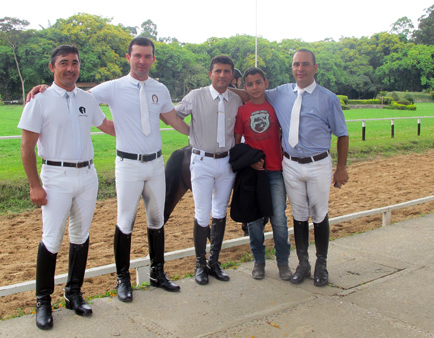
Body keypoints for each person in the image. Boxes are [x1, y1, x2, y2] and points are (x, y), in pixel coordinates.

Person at [27, 37, 189, 303]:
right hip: (127, 164)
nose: (142, 61)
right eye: (137, 55)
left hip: (155, 163)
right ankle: (122, 279)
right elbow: (75, 97)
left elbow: (172, 119)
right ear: (128, 57)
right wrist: (48, 88)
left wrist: (198, 136)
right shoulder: (113, 88)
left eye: (147, 56)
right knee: (125, 220)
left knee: (157, 218)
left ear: (153, 59)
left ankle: (158, 272)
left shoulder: (160, 88)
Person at [18, 45, 115, 330]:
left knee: (81, 236)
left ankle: (73, 293)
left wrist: (139, 124)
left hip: (87, 174)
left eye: (74, 63)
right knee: (51, 238)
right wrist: (35, 185)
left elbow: (106, 125)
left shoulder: (87, 98)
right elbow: (26, 148)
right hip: (55, 176)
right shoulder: (40, 100)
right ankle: (43, 301)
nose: (70, 68)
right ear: (53, 68)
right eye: (64, 63)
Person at [265, 49, 349, 287]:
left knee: (319, 214)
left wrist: (341, 167)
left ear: (315, 67)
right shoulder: (281, 93)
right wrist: (223, 88)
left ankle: (321, 264)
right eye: (295, 64)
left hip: (318, 164)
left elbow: (342, 134)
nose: (299, 69)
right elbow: (254, 91)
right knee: (299, 215)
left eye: (305, 64)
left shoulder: (328, 98)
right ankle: (303, 264)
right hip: (290, 164)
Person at [175, 55, 243, 285]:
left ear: (232, 75)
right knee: (202, 213)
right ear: (210, 73)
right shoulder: (196, 95)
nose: (222, 75)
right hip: (202, 161)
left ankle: (214, 261)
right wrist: (190, 132)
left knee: (220, 212)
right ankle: (199, 263)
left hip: (226, 162)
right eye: (218, 71)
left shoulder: (236, 99)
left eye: (227, 71)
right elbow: (173, 115)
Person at [232, 67, 292, 281]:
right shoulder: (242, 111)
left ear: (266, 83)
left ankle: (283, 261)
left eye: (258, 82)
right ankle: (259, 261)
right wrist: (250, 161)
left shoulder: (276, 106)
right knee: (255, 221)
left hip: (275, 171)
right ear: (245, 87)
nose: (255, 87)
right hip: (253, 175)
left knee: (279, 219)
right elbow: (237, 143)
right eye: (250, 84)